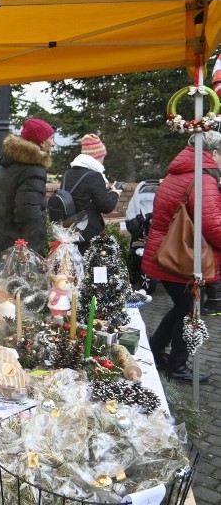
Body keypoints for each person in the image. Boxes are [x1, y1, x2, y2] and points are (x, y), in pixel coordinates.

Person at [141, 130, 221, 384]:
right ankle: (177, 366)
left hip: (168, 253)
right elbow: (211, 224)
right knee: (190, 311)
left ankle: (155, 351)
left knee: (182, 308)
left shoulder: (178, 173)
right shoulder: (202, 179)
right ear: (214, 153)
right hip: (183, 258)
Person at [0, 118, 56, 269]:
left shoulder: (8, 163)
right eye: (51, 138)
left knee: (0, 289)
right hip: (18, 251)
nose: (53, 143)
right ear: (42, 142)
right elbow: (28, 214)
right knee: (18, 291)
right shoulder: (33, 169)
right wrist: (37, 252)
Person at [61, 134, 123, 253]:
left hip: (69, 229)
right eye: (103, 156)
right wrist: (115, 193)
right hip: (88, 231)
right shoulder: (94, 176)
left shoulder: (68, 173)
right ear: (98, 156)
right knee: (90, 268)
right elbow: (106, 206)